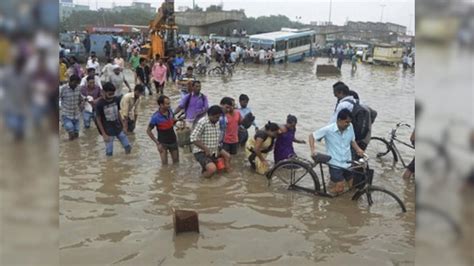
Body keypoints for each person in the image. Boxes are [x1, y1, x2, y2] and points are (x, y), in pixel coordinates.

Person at [308, 109, 365, 194]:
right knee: (340, 189)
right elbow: (311, 136)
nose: (348, 124)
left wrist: (358, 149)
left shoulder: (350, 127)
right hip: (335, 163)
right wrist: (313, 151)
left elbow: (352, 141)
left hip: (347, 162)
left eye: (349, 122)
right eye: (346, 122)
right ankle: (324, 195)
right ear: (339, 120)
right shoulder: (328, 130)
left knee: (352, 186)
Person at [190, 105, 231, 178]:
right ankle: (201, 180)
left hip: (214, 148)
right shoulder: (202, 123)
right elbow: (193, 138)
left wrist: (218, 148)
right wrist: (205, 148)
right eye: (216, 117)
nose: (218, 119)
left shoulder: (217, 122)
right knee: (212, 169)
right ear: (210, 115)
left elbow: (216, 136)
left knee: (227, 156)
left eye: (219, 117)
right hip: (201, 151)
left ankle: (228, 175)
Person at [95, 82, 132, 156]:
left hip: (118, 128)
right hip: (108, 131)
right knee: (109, 153)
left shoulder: (116, 100)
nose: (111, 96)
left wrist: (124, 126)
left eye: (113, 94)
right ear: (104, 92)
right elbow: (98, 120)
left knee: (128, 147)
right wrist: (104, 134)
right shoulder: (99, 104)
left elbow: (118, 113)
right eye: (109, 94)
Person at [147, 95, 180, 165]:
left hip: (173, 140)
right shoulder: (155, 117)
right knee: (164, 165)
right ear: (161, 105)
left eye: (169, 103)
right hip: (162, 143)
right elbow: (148, 131)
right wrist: (157, 143)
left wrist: (177, 122)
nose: (169, 105)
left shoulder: (170, 111)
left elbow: (172, 122)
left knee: (176, 163)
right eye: (167, 104)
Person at [60, 75, 83, 140]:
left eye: (77, 83)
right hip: (66, 114)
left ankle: (75, 148)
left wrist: (82, 104)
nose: (76, 85)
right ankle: (70, 147)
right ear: (70, 81)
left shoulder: (78, 88)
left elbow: (80, 98)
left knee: (76, 134)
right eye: (75, 83)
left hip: (76, 114)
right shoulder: (63, 89)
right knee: (71, 132)